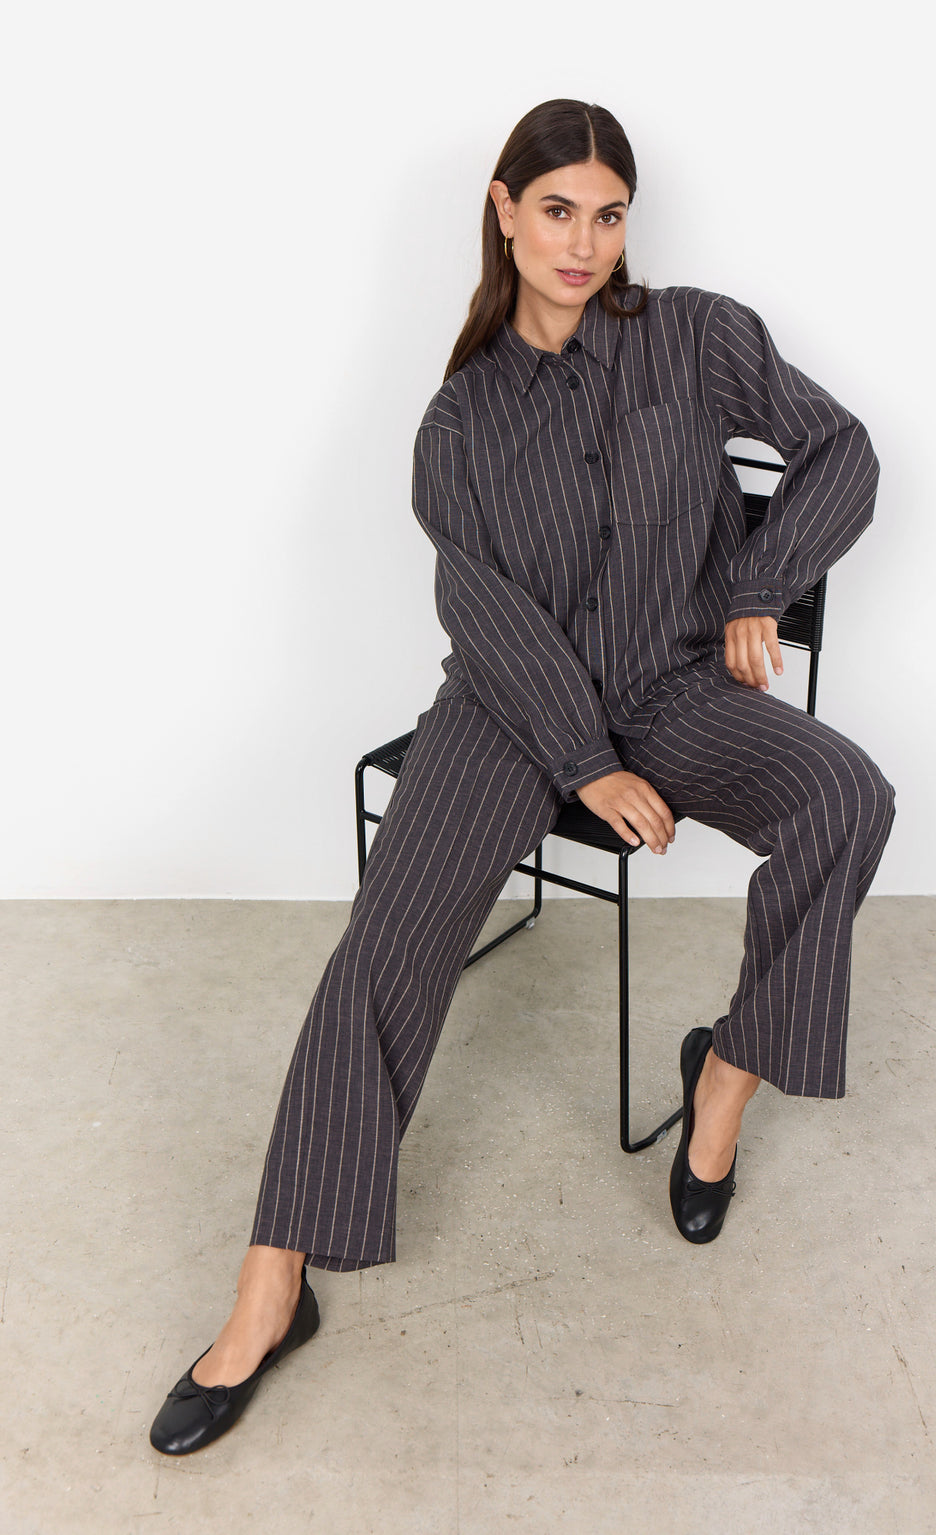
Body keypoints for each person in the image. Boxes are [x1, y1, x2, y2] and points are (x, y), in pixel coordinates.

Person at [149, 98, 895, 1456]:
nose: (583, 243)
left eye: (608, 215)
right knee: (386, 950)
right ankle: (271, 1290)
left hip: (678, 690)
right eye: (557, 211)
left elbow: (842, 450)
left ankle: (724, 1080)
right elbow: (484, 616)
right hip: (509, 713)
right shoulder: (459, 423)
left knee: (849, 798)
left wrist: (761, 582)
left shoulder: (696, 336)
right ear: (503, 211)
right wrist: (583, 762)